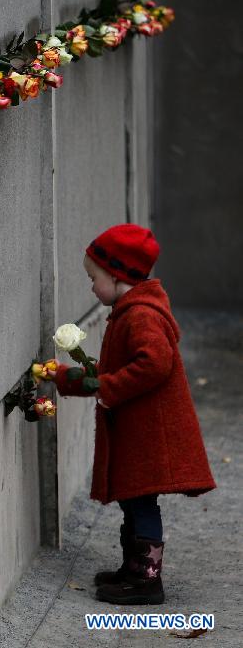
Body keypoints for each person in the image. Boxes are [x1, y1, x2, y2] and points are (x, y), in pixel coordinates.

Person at [52, 223, 216, 605]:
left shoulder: (140, 315)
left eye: (94, 278)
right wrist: (67, 377)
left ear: (116, 274)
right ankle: (134, 568)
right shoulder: (131, 310)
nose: (91, 287)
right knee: (134, 500)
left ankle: (146, 580)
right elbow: (111, 375)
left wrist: (108, 390)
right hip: (139, 433)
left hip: (149, 436)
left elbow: (154, 364)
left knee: (142, 502)